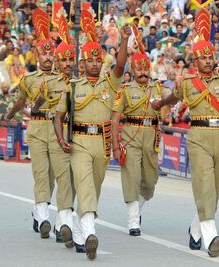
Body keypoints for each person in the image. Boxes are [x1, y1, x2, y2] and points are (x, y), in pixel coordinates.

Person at [151, 11, 219, 257]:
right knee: (204, 184)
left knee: (216, 187)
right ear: (195, 61)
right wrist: (160, 104)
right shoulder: (188, 81)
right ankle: (211, 236)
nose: (209, 61)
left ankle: (196, 229)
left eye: (211, 57)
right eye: (203, 58)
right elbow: (174, 97)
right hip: (198, 135)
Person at [54, 19, 131, 260]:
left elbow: (120, 66)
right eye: (90, 60)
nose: (95, 63)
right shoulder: (73, 87)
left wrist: (125, 40)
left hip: (102, 143)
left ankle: (79, 229)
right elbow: (58, 117)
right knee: (85, 184)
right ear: (82, 63)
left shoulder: (110, 82)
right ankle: (89, 234)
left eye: (98, 60)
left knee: (94, 187)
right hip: (79, 142)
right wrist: (60, 140)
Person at [6, 8, 57, 240]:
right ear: (37, 55)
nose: (47, 57)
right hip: (36, 128)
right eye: (43, 54)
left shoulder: (62, 78)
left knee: (53, 175)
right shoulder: (29, 79)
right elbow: (20, 102)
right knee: (40, 172)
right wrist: (9, 115)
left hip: (57, 130)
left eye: (51, 54)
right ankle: (44, 216)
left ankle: (39, 211)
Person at [111, 45, 170, 236]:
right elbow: (114, 118)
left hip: (151, 136)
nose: (143, 72)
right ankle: (133, 220)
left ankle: (137, 209)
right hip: (130, 135)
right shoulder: (125, 90)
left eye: (146, 69)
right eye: (139, 69)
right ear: (133, 70)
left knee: (150, 182)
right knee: (132, 177)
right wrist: (116, 146)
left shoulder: (159, 88)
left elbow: (176, 98)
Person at [30, 17, 77, 249]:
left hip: (69, 133)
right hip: (42, 130)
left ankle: (63, 222)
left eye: (71, 59)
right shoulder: (43, 81)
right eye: (63, 60)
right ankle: (43, 215)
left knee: (65, 178)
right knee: (43, 174)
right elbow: (32, 107)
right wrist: (38, 99)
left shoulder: (79, 82)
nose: (67, 64)